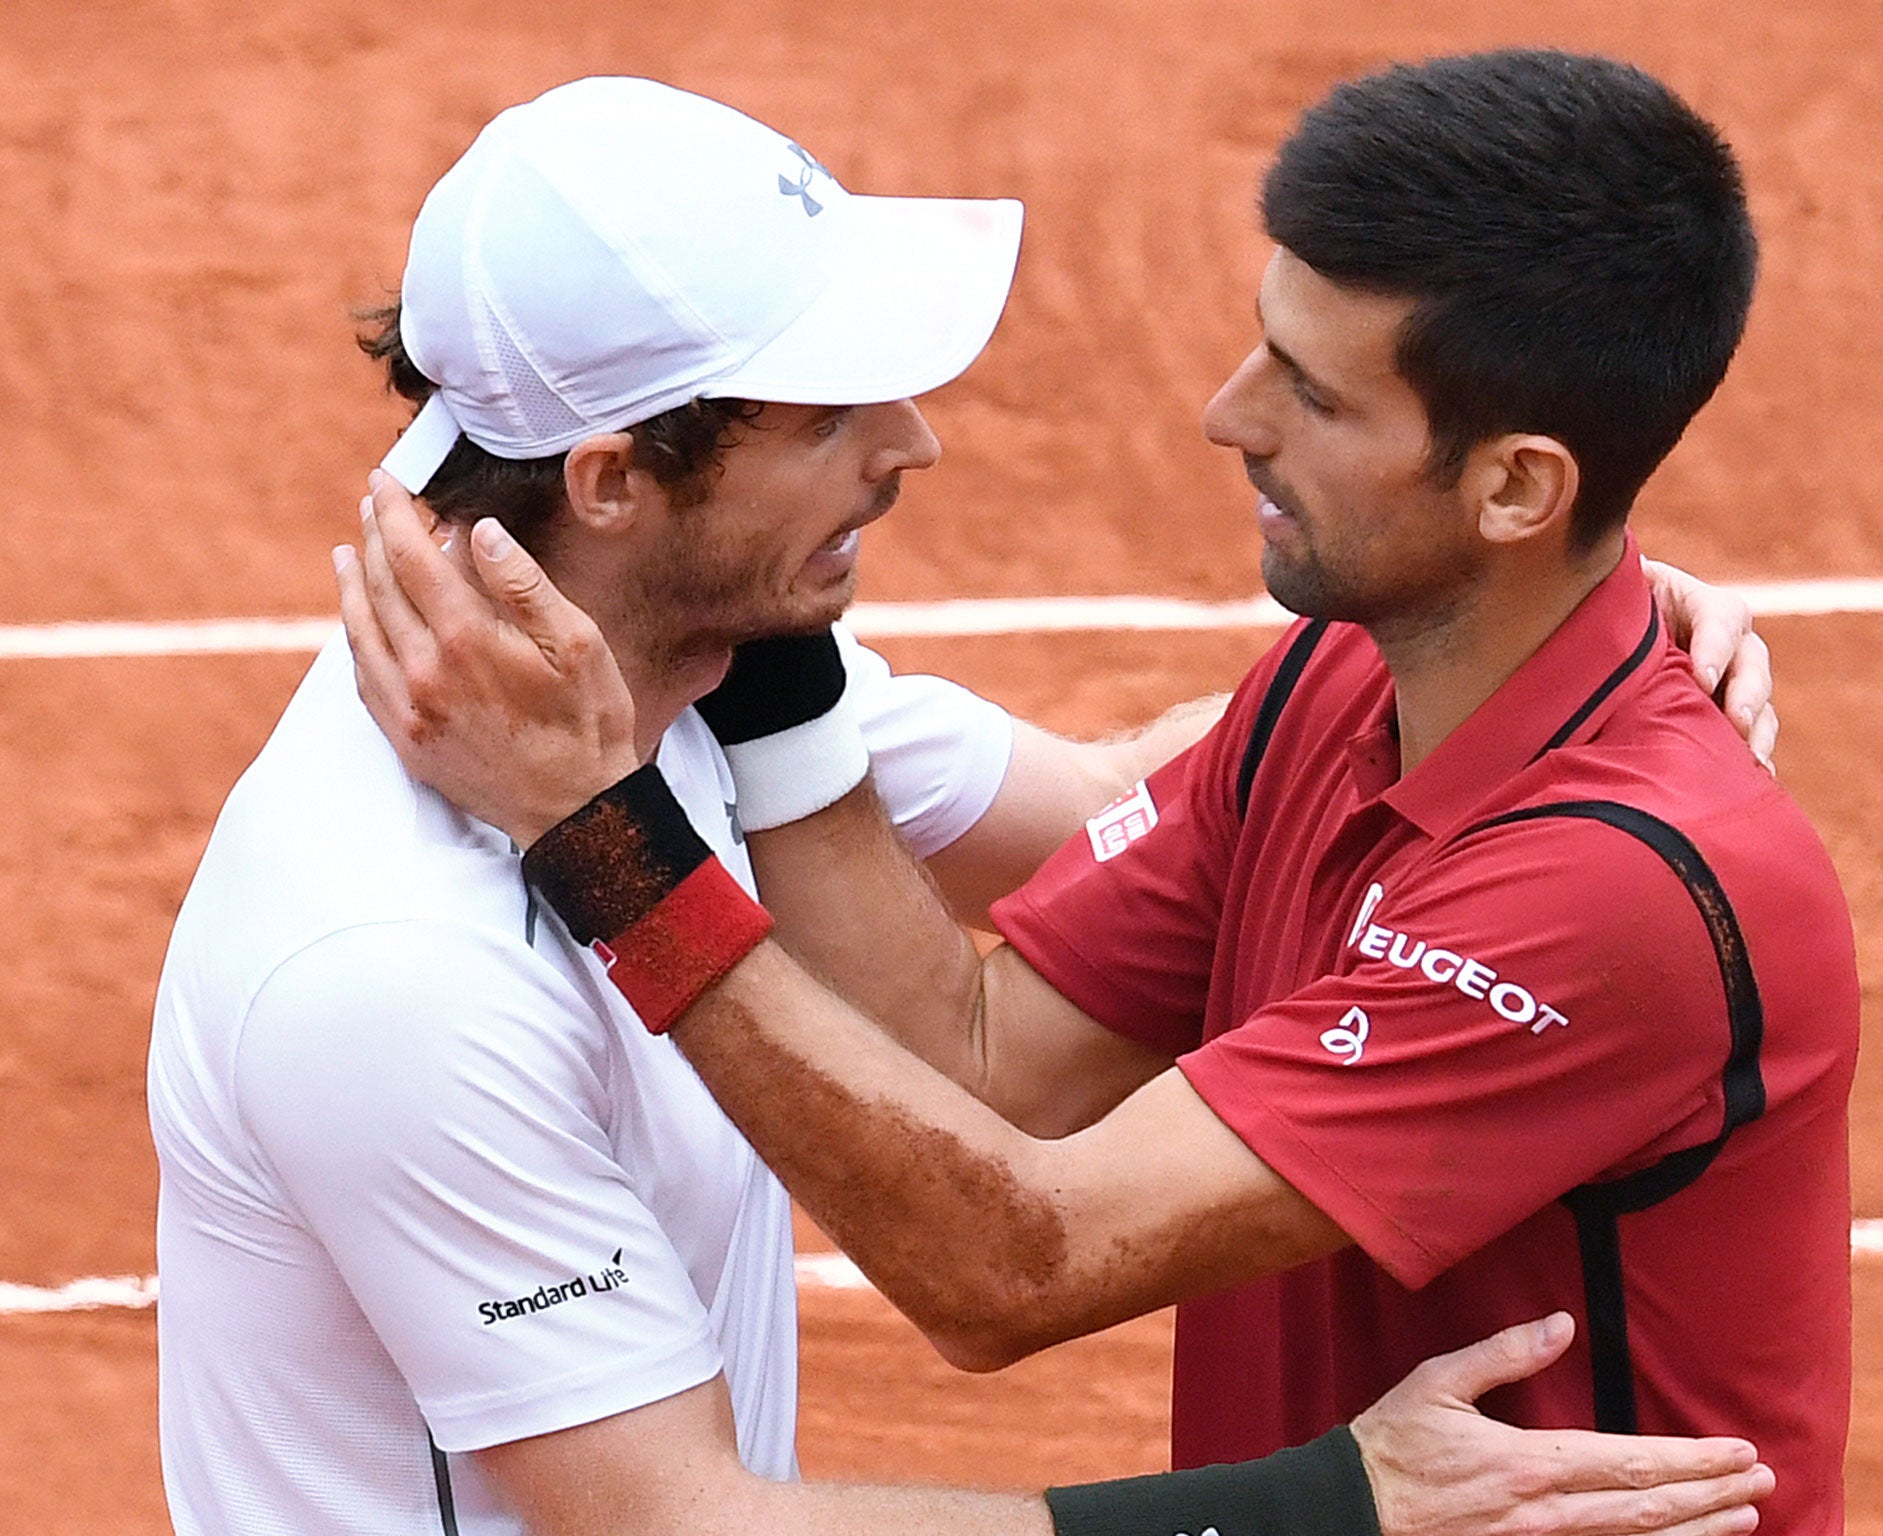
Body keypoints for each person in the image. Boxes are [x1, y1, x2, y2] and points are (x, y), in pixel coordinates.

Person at [151, 75, 1775, 1536]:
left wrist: (1554, 606)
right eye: (832, 406)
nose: (913, 439)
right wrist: (1319, 1512)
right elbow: (674, 1529)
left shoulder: (706, 677)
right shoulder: (393, 969)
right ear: (614, 477)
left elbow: (1135, 796)